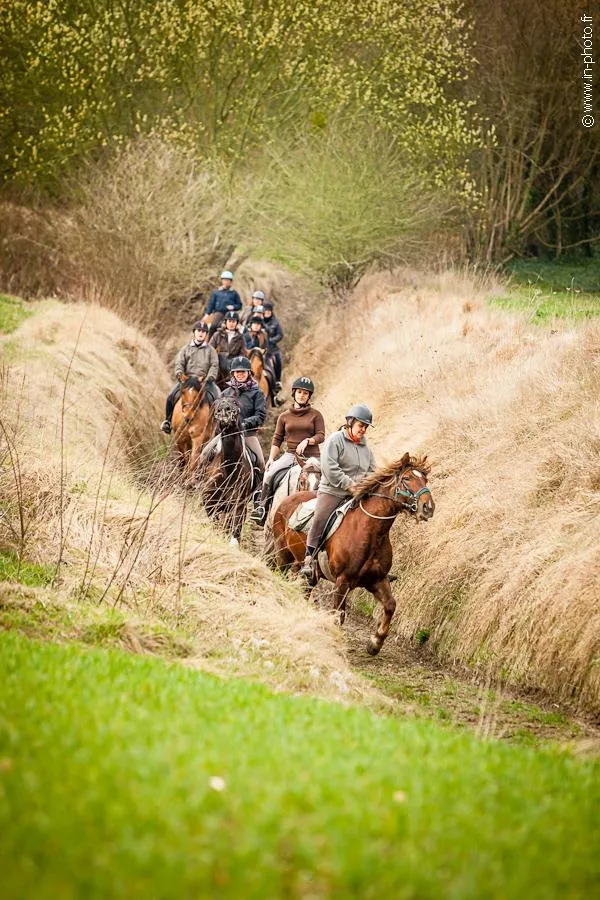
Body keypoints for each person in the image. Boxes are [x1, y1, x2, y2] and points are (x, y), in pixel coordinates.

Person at [298, 404, 377, 582]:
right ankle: (309, 559)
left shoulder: (366, 447)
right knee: (320, 517)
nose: (363, 429)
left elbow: (372, 470)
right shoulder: (336, 440)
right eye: (360, 425)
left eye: (365, 427)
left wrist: (369, 485)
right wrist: (350, 485)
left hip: (357, 493)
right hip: (333, 490)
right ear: (350, 423)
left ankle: (375, 564)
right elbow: (330, 467)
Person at [249, 377, 324, 525]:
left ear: (309, 396)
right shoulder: (284, 416)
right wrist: (271, 458)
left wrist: (308, 441)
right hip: (290, 455)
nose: (302, 395)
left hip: (312, 457)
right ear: (294, 393)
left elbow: (321, 435)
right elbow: (277, 439)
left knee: (330, 478)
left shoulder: (316, 415)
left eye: (305, 393)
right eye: (299, 392)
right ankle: (262, 508)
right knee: (270, 474)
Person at [161, 322, 220, 433]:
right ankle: (168, 422)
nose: (201, 333)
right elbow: (179, 363)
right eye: (198, 331)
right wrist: (179, 373)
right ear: (194, 332)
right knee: (170, 396)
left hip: (204, 381)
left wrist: (210, 377)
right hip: (187, 381)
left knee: (217, 397)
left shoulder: (211, 350)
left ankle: (217, 425)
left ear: (206, 334)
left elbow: (214, 365)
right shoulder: (185, 349)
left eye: (203, 332)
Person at [221, 356, 267, 501]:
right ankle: (200, 482)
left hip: (247, 434)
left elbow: (260, 415)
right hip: (225, 435)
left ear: (249, 373)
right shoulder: (225, 393)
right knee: (205, 453)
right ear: (233, 374)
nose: (239, 374)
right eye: (237, 372)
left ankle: (258, 498)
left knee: (260, 462)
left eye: (243, 371)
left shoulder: (257, 393)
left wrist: (244, 424)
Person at [210, 311, 246, 375]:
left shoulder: (240, 337)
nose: (231, 324)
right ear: (225, 322)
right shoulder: (217, 335)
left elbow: (242, 354)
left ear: (237, 323)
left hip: (233, 366)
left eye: (233, 321)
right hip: (218, 364)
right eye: (229, 321)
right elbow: (210, 349)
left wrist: (235, 362)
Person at [262, 300, 284, 390]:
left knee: (278, 359)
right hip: (261, 348)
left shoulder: (275, 322)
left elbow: (280, 335)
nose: (267, 313)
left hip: (272, 348)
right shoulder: (259, 322)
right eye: (265, 311)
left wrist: (271, 340)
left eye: (269, 311)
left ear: (271, 312)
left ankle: (278, 381)